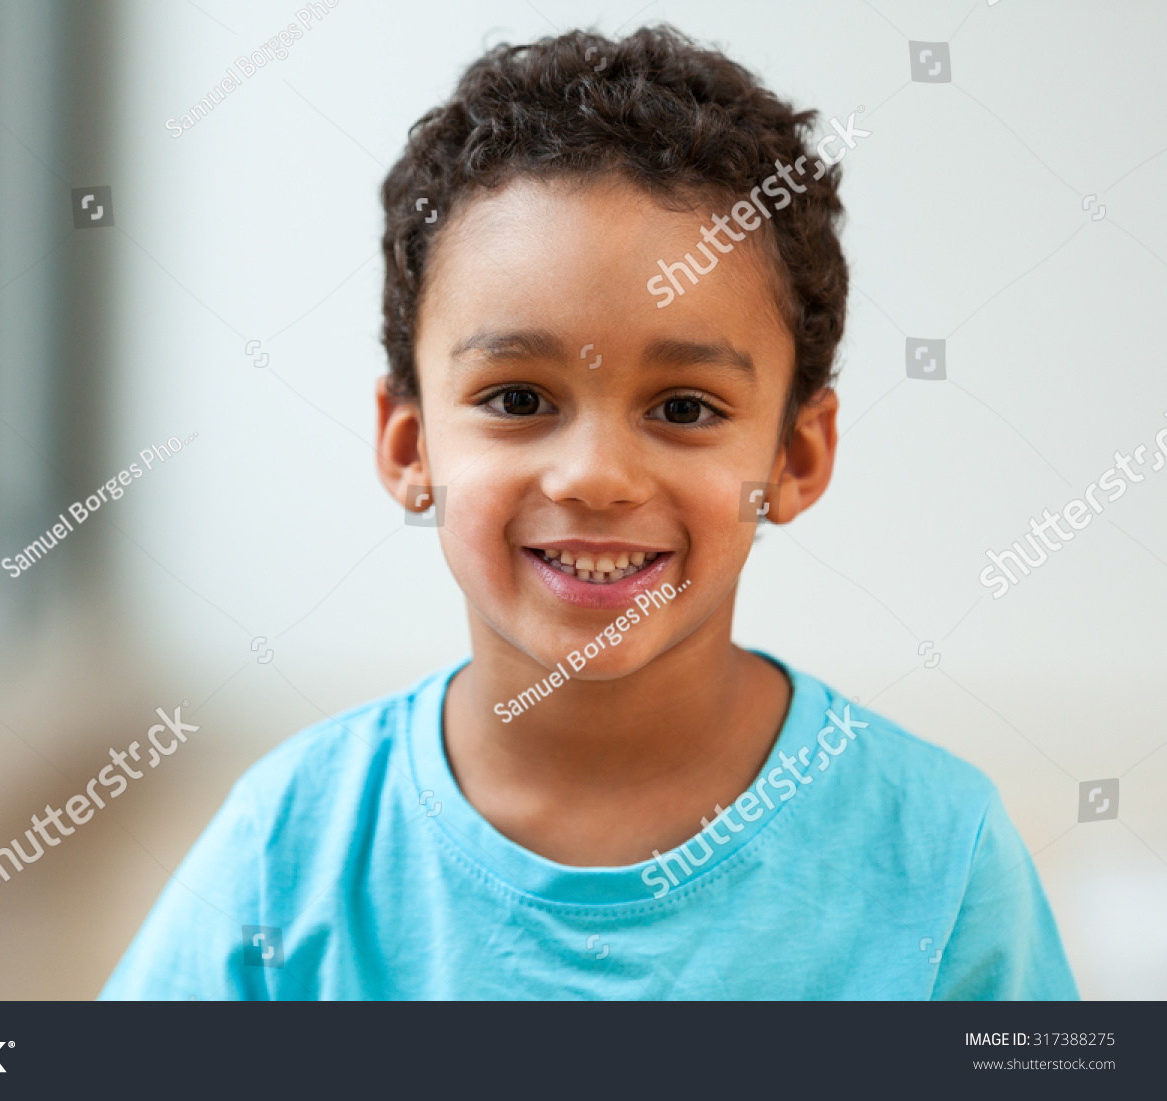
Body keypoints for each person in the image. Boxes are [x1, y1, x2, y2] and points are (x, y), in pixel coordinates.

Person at [102, 24, 1076, 1000]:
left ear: (795, 455)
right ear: (410, 447)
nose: (596, 477)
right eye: (518, 399)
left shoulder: (943, 860)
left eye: (684, 408)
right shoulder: (285, 853)